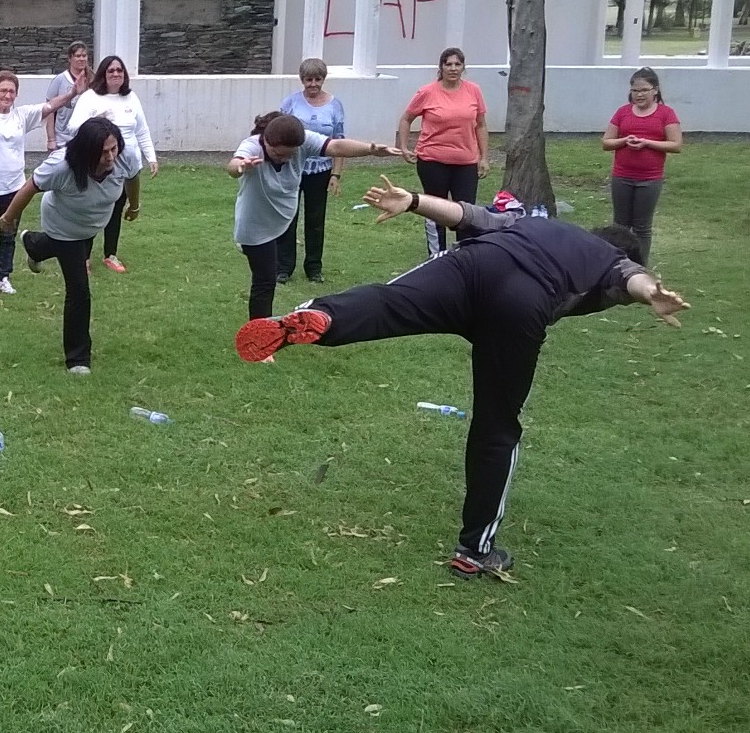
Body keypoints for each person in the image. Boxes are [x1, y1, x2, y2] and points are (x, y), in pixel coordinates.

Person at [236, 177, 690, 579]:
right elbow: (630, 276)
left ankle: (319, 316)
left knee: (388, 302)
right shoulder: (608, 261)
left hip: (472, 265)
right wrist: (651, 292)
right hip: (519, 304)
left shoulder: (534, 223)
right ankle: (474, 551)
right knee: (497, 427)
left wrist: (413, 200)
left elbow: (467, 214)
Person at [228, 112, 402, 323]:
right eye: (277, 154)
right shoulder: (253, 146)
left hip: (284, 217)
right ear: (266, 140)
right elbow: (233, 166)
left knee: (271, 272)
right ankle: (259, 337)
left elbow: (336, 147)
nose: (283, 158)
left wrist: (372, 149)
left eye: (289, 155)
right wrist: (239, 167)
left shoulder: (303, 141)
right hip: (255, 225)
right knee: (265, 281)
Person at [0, 117, 139, 376]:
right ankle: (78, 359)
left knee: (51, 248)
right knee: (79, 290)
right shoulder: (61, 166)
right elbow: (31, 187)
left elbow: (132, 177)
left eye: (113, 148)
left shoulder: (125, 156)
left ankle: (33, 244)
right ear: (86, 150)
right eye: (103, 152)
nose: (110, 157)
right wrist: (8, 218)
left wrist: (134, 204)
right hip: (63, 225)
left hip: (92, 223)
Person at [0, 69, 84, 298]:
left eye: (11, 91)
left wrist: (72, 93)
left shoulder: (22, 116)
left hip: (13, 187)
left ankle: (3, 277)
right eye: (3, 90)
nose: (7, 95)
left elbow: (49, 106)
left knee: (8, 234)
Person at [66, 55, 158, 274]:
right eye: (111, 71)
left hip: (126, 163)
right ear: (103, 75)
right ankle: (85, 257)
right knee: (92, 207)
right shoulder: (90, 97)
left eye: (119, 70)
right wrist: (97, 120)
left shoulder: (131, 98)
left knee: (116, 207)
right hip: (98, 162)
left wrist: (151, 157)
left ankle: (110, 254)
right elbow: (72, 128)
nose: (116, 74)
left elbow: (141, 130)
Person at [395, 47, 489, 258]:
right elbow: (406, 119)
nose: (453, 69)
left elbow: (481, 125)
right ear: (441, 67)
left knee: (466, 211)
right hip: (432, 161)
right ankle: (437, 257)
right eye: (448, 64)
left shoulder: (474, 91)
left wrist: (484, 158)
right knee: (435, 208)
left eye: (457, 64)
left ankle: (466, 257)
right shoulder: (427, 92)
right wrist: (404, 147)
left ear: (464, 67)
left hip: (465, 162)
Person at [276, 58, 347, 284]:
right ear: (302, 80)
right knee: (288, 216)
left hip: (321, 170)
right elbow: (278, 133)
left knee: (316, 219)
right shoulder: (290, 103)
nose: (313, 84)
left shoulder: (335, 106)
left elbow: (339, 141)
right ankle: (283, 267)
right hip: (292, 168)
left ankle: (314, 267)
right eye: (309, 79)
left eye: (317, 79)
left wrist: (336, 174)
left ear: (323, 79)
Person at [601, 67, 682, 266]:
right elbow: (606, 142)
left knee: (642, 227)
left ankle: (639, 267)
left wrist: (647, 143)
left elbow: (676, 144)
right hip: (622, 176)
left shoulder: (666, 114)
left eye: (644, 90)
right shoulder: (623, 112)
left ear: (655, 90)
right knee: (620, 224)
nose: (639, 94)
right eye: (635, 90)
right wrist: (624, 140)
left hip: (649, 179)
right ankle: (617, 265)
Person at [42, 40, 91, 153]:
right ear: (70, 58)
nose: (82, 59)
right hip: (62, 137)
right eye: (78, 56)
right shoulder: (60, 80)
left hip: (85, 136)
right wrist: (51, 139)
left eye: (84, 56)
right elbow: (50, 110)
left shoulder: (92, 79)